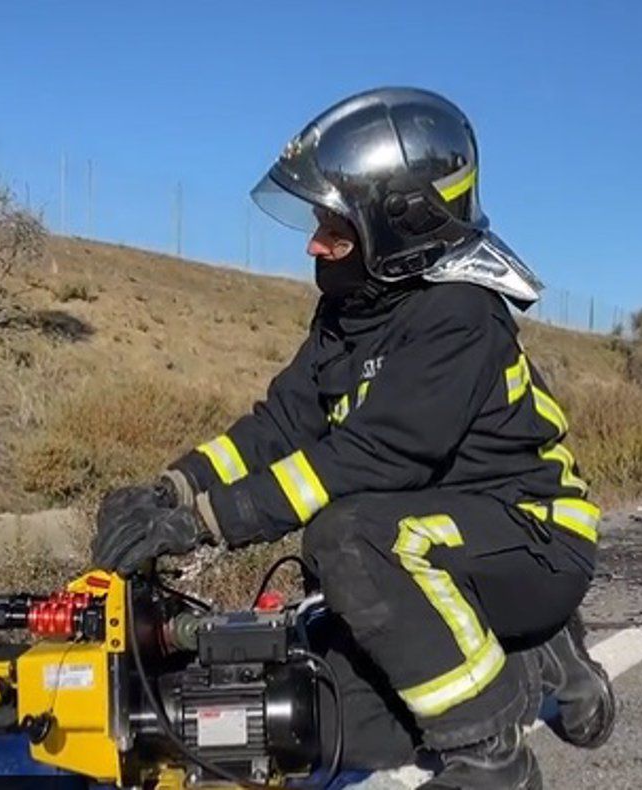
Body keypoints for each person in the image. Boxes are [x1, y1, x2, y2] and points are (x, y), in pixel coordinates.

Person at [92, 87, 614, 789]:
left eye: (334, 230)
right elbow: (281, 423)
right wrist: (171, 487)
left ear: (401, 228)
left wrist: (202, 524)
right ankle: (530, 656)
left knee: (348, 539)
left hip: (533, 538)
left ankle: (491, 751)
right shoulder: (350, 307)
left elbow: (372, 457)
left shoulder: (457, 315)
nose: (313, 245)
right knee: (328, 718)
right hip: (441, 536)